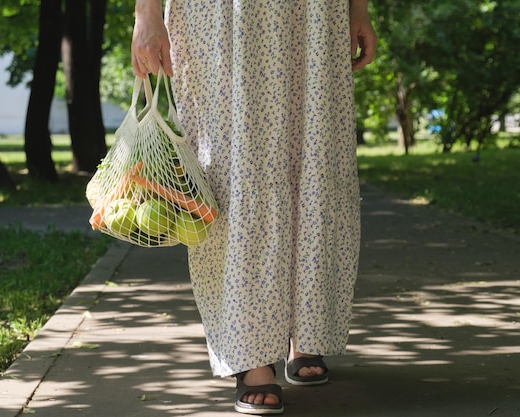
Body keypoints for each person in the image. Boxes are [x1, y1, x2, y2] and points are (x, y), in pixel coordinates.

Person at [131, 0, 376, 414]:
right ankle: (251, 356)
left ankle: (307, 331)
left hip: (314, 13)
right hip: (218, 16)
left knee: (314, 161)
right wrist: (146, 14)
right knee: (234, 172)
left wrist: (359, 8)